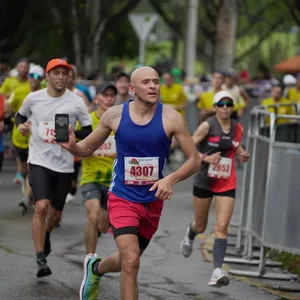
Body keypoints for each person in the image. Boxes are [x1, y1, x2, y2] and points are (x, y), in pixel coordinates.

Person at [58, 66, 201, 300]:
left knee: (128, 259)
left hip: (153, 201)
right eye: (146, 82)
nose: (153, 86)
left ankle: (95, 269)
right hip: (122, 197)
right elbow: (87, 148)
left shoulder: (172, 117)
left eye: (155, 81)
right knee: (132, 261)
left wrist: (170, 179)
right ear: (132, 89)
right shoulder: (114, 115)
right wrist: (72, 146)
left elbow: (194, 160)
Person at [15, 58, 92, 278]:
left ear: (68, 77)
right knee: (41, 206)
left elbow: (87, 129)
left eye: (64, 73)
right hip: (39, 160)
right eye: (55, 73)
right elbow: (21, 115)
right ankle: (41, 259)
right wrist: (21, 125)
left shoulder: (76, 102)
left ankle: (46, 233)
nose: (60, 77)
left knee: (56, 214)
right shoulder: (34, 98)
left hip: (64, 165)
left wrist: (71, 136)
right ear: (47, 76)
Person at [180, 91, 250, 288]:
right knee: (201, 226)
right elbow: (189, 147)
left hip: (227, 182)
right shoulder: (207, 125)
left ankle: (217, 271)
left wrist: (243, 155)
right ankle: (191, 232)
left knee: (221, 227)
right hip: (204, 181)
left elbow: (236, 148)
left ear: (233, 106)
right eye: (221, 104)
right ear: (215, 107)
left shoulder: (238, 128)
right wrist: (206, 158)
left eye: (229, 103)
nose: (225, 107)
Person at [79, 82, 117, 254]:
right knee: (93, 214)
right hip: (91, 177)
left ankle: (95, 236)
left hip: (112, 181)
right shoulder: (88, 122)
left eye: (112, 95)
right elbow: (77, 147)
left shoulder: (120, 123)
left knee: (103, 227)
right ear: (96, 99)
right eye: (105, 95)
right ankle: (90, 260)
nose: (109, 99)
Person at [8, 65, 45, 213]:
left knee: (31, 168)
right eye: (32, 76)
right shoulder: (19, 91)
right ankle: (28, 191)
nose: (34, 79)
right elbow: (8, 109)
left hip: (36, 139)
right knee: (23, 169)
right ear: (28, 76)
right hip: (18, 137)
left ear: (42, 79)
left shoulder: (45, 95)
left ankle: (27, 196)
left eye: (38, 77)